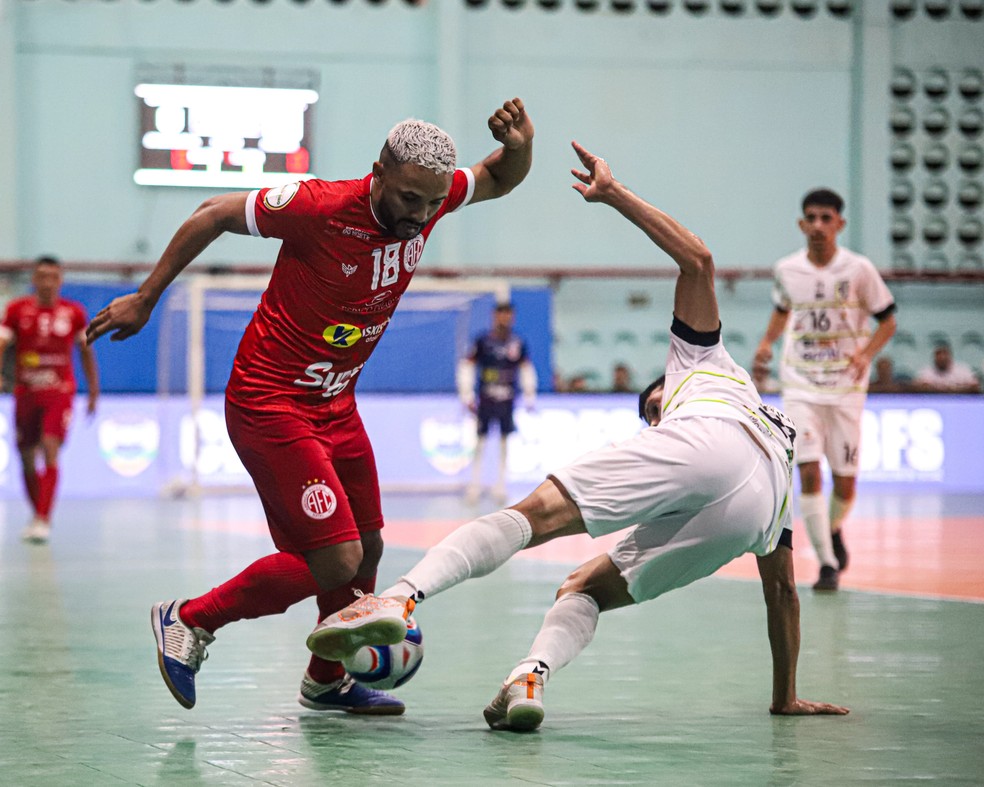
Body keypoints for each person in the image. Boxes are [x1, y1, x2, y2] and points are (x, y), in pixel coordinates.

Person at [308, 142, 849, 731]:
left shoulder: (700, 361)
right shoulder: (776, 447)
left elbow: (697, 259)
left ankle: (402, 595)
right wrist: (785, 696)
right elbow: (783, 596)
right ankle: (529, 676)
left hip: (708, 442)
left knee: (533, 516)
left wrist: (613, 194)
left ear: (665, 387)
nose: (653, 421)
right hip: (754, 512)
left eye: (651, 412)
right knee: (583, 586)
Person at [85, 98, 534, 713]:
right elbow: (212, 214)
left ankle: (327, 680)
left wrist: (518, 146)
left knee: (369, 547)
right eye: (408, 199)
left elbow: (499, 178)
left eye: (432, 204)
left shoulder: (430, 196)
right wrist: (146, 295)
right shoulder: (317, 207)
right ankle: (190, 619)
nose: (421, 215)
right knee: (333, 561)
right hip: (270, 403)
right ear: (377, 171)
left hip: (335, 405)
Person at [754, 188, 896, 592]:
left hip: (847, 386)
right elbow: (783, 311)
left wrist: (865, 354)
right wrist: (767, 343)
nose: (818, 225)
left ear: (839, 224)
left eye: (825, 218)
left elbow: (888, 320)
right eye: (811, 218)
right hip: (799, 382)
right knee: (809, 471)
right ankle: (827, 565)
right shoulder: (787, 269)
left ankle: (831, 530)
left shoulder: (859, 270)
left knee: (846, 482)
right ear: (802, 224)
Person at [0, 256, 99, 544]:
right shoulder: (17, 310)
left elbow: (86, 351)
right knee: (26, 457)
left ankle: (43, 519)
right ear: (33, 279)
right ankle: (37, 514)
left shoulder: (74, 312)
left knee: (49, 446)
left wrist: (93, 391)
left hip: (59, 391)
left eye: (52, 276)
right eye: (41, 276)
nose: (46, 282)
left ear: (60, 280)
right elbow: (3, 341)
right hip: (26, 392)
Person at [457, 302, 536, 505]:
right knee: (480, 441)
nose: (504, 319)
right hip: (486, 398)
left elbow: (526, 367)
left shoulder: (517, 342)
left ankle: (501, 484)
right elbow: (468, 365)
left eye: (508, 315)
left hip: (507, 399)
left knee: (504, 441)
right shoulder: (483, 341)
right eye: (501, 315)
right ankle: (475, 484)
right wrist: (466, 393)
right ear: (494, 316)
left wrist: (529, 393)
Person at [912, 341, 981, 393]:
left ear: (950, 358)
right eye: (939, 358)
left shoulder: (962, 370)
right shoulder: (927, 371)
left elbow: (975, 387)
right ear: (934, 359)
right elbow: (919, 388)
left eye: (944, 358)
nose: (942, 360)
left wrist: (954, 390)